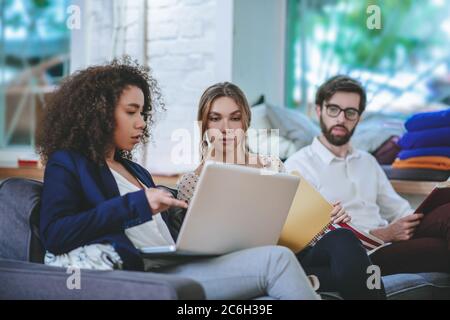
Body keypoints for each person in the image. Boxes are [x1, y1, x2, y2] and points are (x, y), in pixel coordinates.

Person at [36, 57, 318, 300]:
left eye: (143, 113)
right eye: (131, 112)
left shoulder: (137, 172)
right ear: (99, 113)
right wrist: (139, 203)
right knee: (277, 260)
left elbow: (167, 236)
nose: (142, 122)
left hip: (173, 263)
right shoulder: (68, 163)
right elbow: (56, 234)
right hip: (145, 274)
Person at [177, 81, 385, 299]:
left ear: (245, 122)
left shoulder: (270, 164)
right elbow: (195, 247)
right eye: (215, 118)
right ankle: (316, 278)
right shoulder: (192, 182)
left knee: (343, 238)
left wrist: (326, 217)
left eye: (235, 118)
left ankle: (315, 278)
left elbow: (296, 215)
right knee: (350, 272)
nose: (226, 128)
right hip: (249, 263)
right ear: (203, 124)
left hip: (294, 251)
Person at [284, 75, 449, 276]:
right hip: (360, 254)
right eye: (333, 109)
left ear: (359, 117)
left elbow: (398, 209)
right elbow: (312, 238)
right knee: (439, 249)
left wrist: (423, 214)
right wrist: (386, 234)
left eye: (350, 112)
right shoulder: (298, 166)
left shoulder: (367, 161)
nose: (341, 119)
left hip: (389, 242)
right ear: (319, 110)